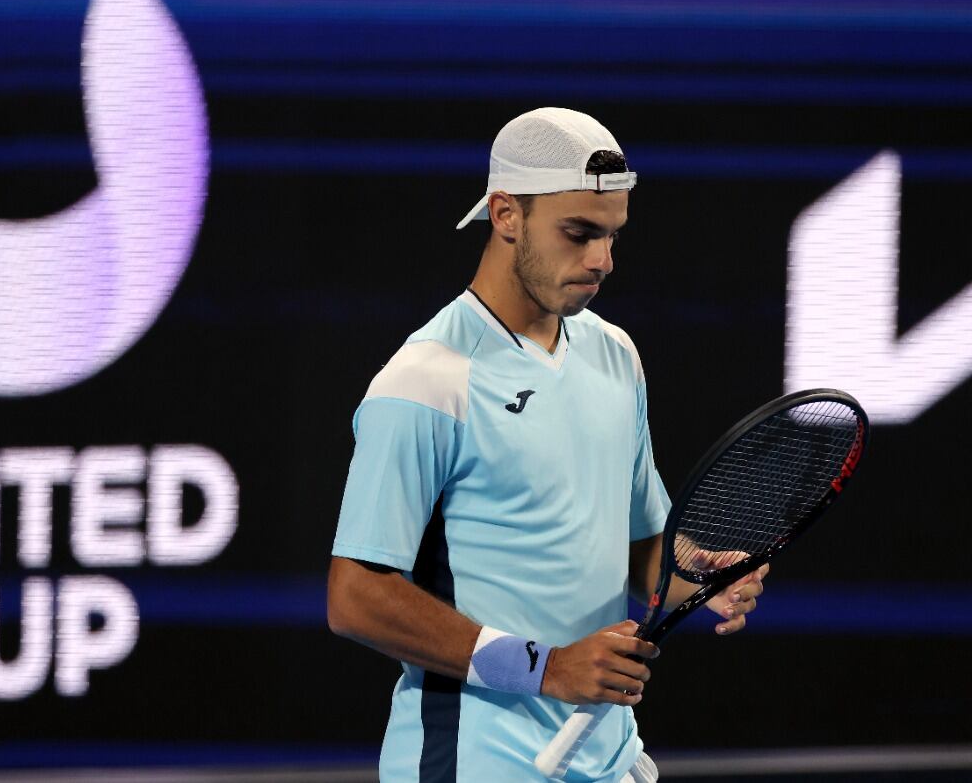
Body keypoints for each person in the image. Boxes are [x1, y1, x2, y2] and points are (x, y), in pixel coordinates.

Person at [326, 108, 769, 782]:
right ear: (506, 214)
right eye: (579, 233)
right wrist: (548, 667)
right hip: (475, 763)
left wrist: (698, 579)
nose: (602, 261)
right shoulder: (425, 378)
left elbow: (634, 544)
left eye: (613, 236)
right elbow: (356, 595)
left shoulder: (615, 354)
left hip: (609, 758)